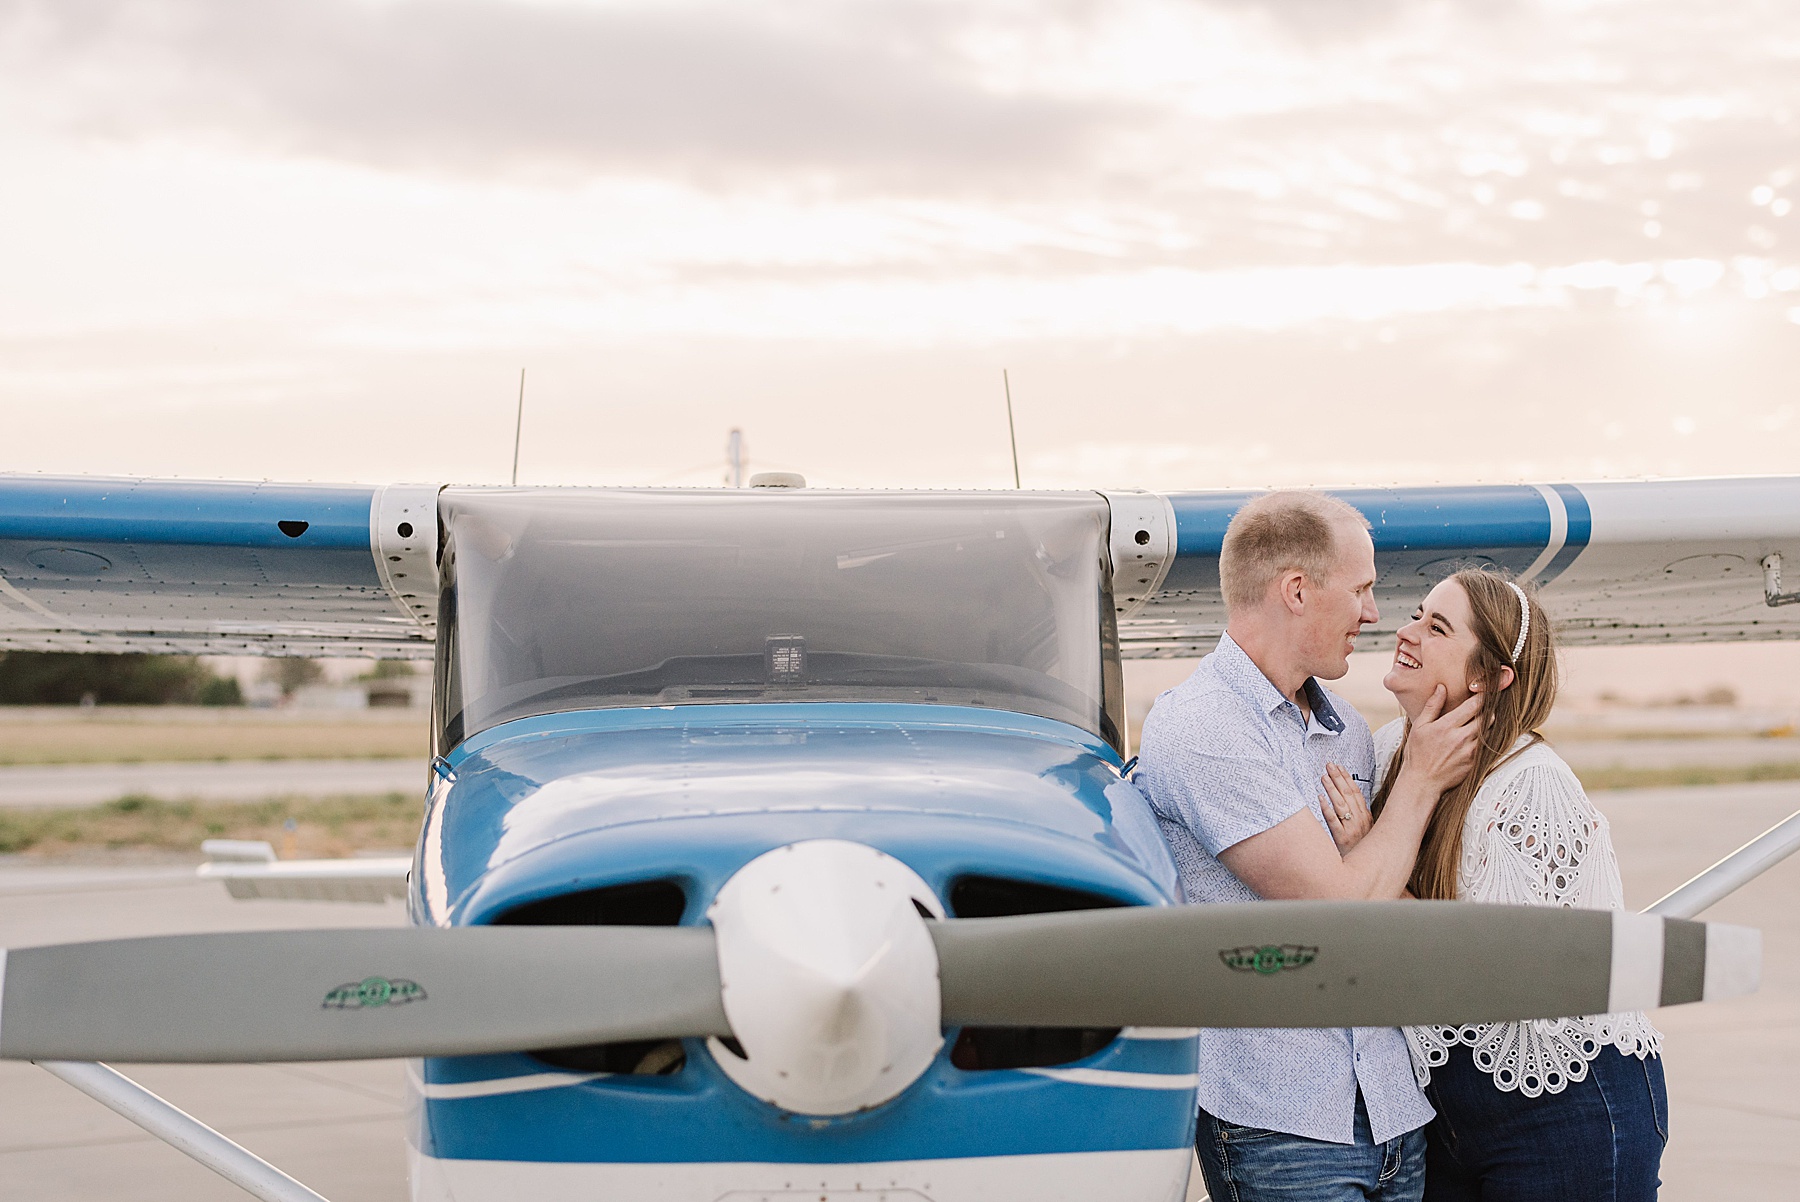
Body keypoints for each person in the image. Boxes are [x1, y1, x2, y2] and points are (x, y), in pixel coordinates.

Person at [1135, 490, 1482, 1202]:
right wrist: (1418, 779)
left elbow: (1378, 890)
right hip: (1280, 1123)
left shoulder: (1349, 728)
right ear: (1297, 590)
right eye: (1361, 590)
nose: (1374, 614)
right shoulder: (1202, 726)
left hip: (1392, 1109)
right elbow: (1334, 909)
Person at [1320, 568, 1666, 1201]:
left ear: (1488, 677)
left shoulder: (1530, 785)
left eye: (1438, 626)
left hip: (1568, 1109)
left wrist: (1362, 850)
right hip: (1452, 1113)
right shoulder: (1394, 747)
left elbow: (1496, 974)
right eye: (1419, 613)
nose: (1408, 630)